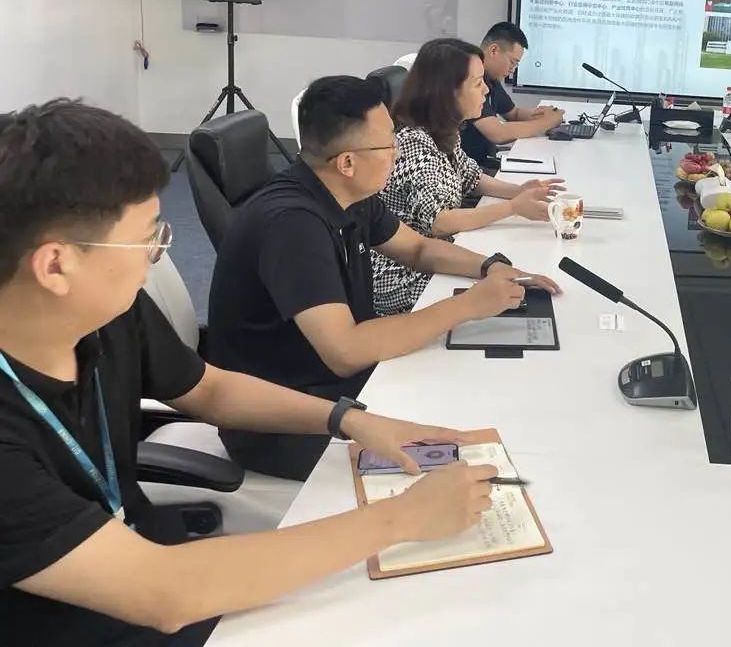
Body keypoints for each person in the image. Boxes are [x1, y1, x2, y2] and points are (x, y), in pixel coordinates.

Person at [0, 100, 498, 646]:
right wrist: (401, 519)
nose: (156, 255)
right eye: (147, 239)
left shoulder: (104, 315)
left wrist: (349, 420)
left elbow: (208, 388)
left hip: (146, 559)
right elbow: (163, 593)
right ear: (56, 265)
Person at [206, 75, 559, 480]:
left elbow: (418, 248)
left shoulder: (347, 194)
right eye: (388, 143)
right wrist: (466, 306)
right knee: (477, 454)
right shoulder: (293, 225)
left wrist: (490, 266)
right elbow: (346, 351)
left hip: (338, 390)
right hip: (290, 422)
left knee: (477, 388)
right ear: (347, 162)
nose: (398, 151)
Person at [374, 39, 563, 315]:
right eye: (477, 83)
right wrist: (512, 207)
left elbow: (471, 177)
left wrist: (519, 191)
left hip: (438, 253)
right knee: (508, 294)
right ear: (447, 92)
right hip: (402, 273)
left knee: (515, 273)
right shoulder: (415, 143)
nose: (486, 89)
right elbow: (440, 222)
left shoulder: (443, 129)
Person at [460, 22, 563, 163]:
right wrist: (547, 122)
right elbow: (497, 133)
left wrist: (542, 113)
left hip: (478, 163)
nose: (513, 70)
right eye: (512, 62)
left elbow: (513, 114)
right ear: (494, 50)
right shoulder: (469, 83)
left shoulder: (491, 79)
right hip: (471, 165)